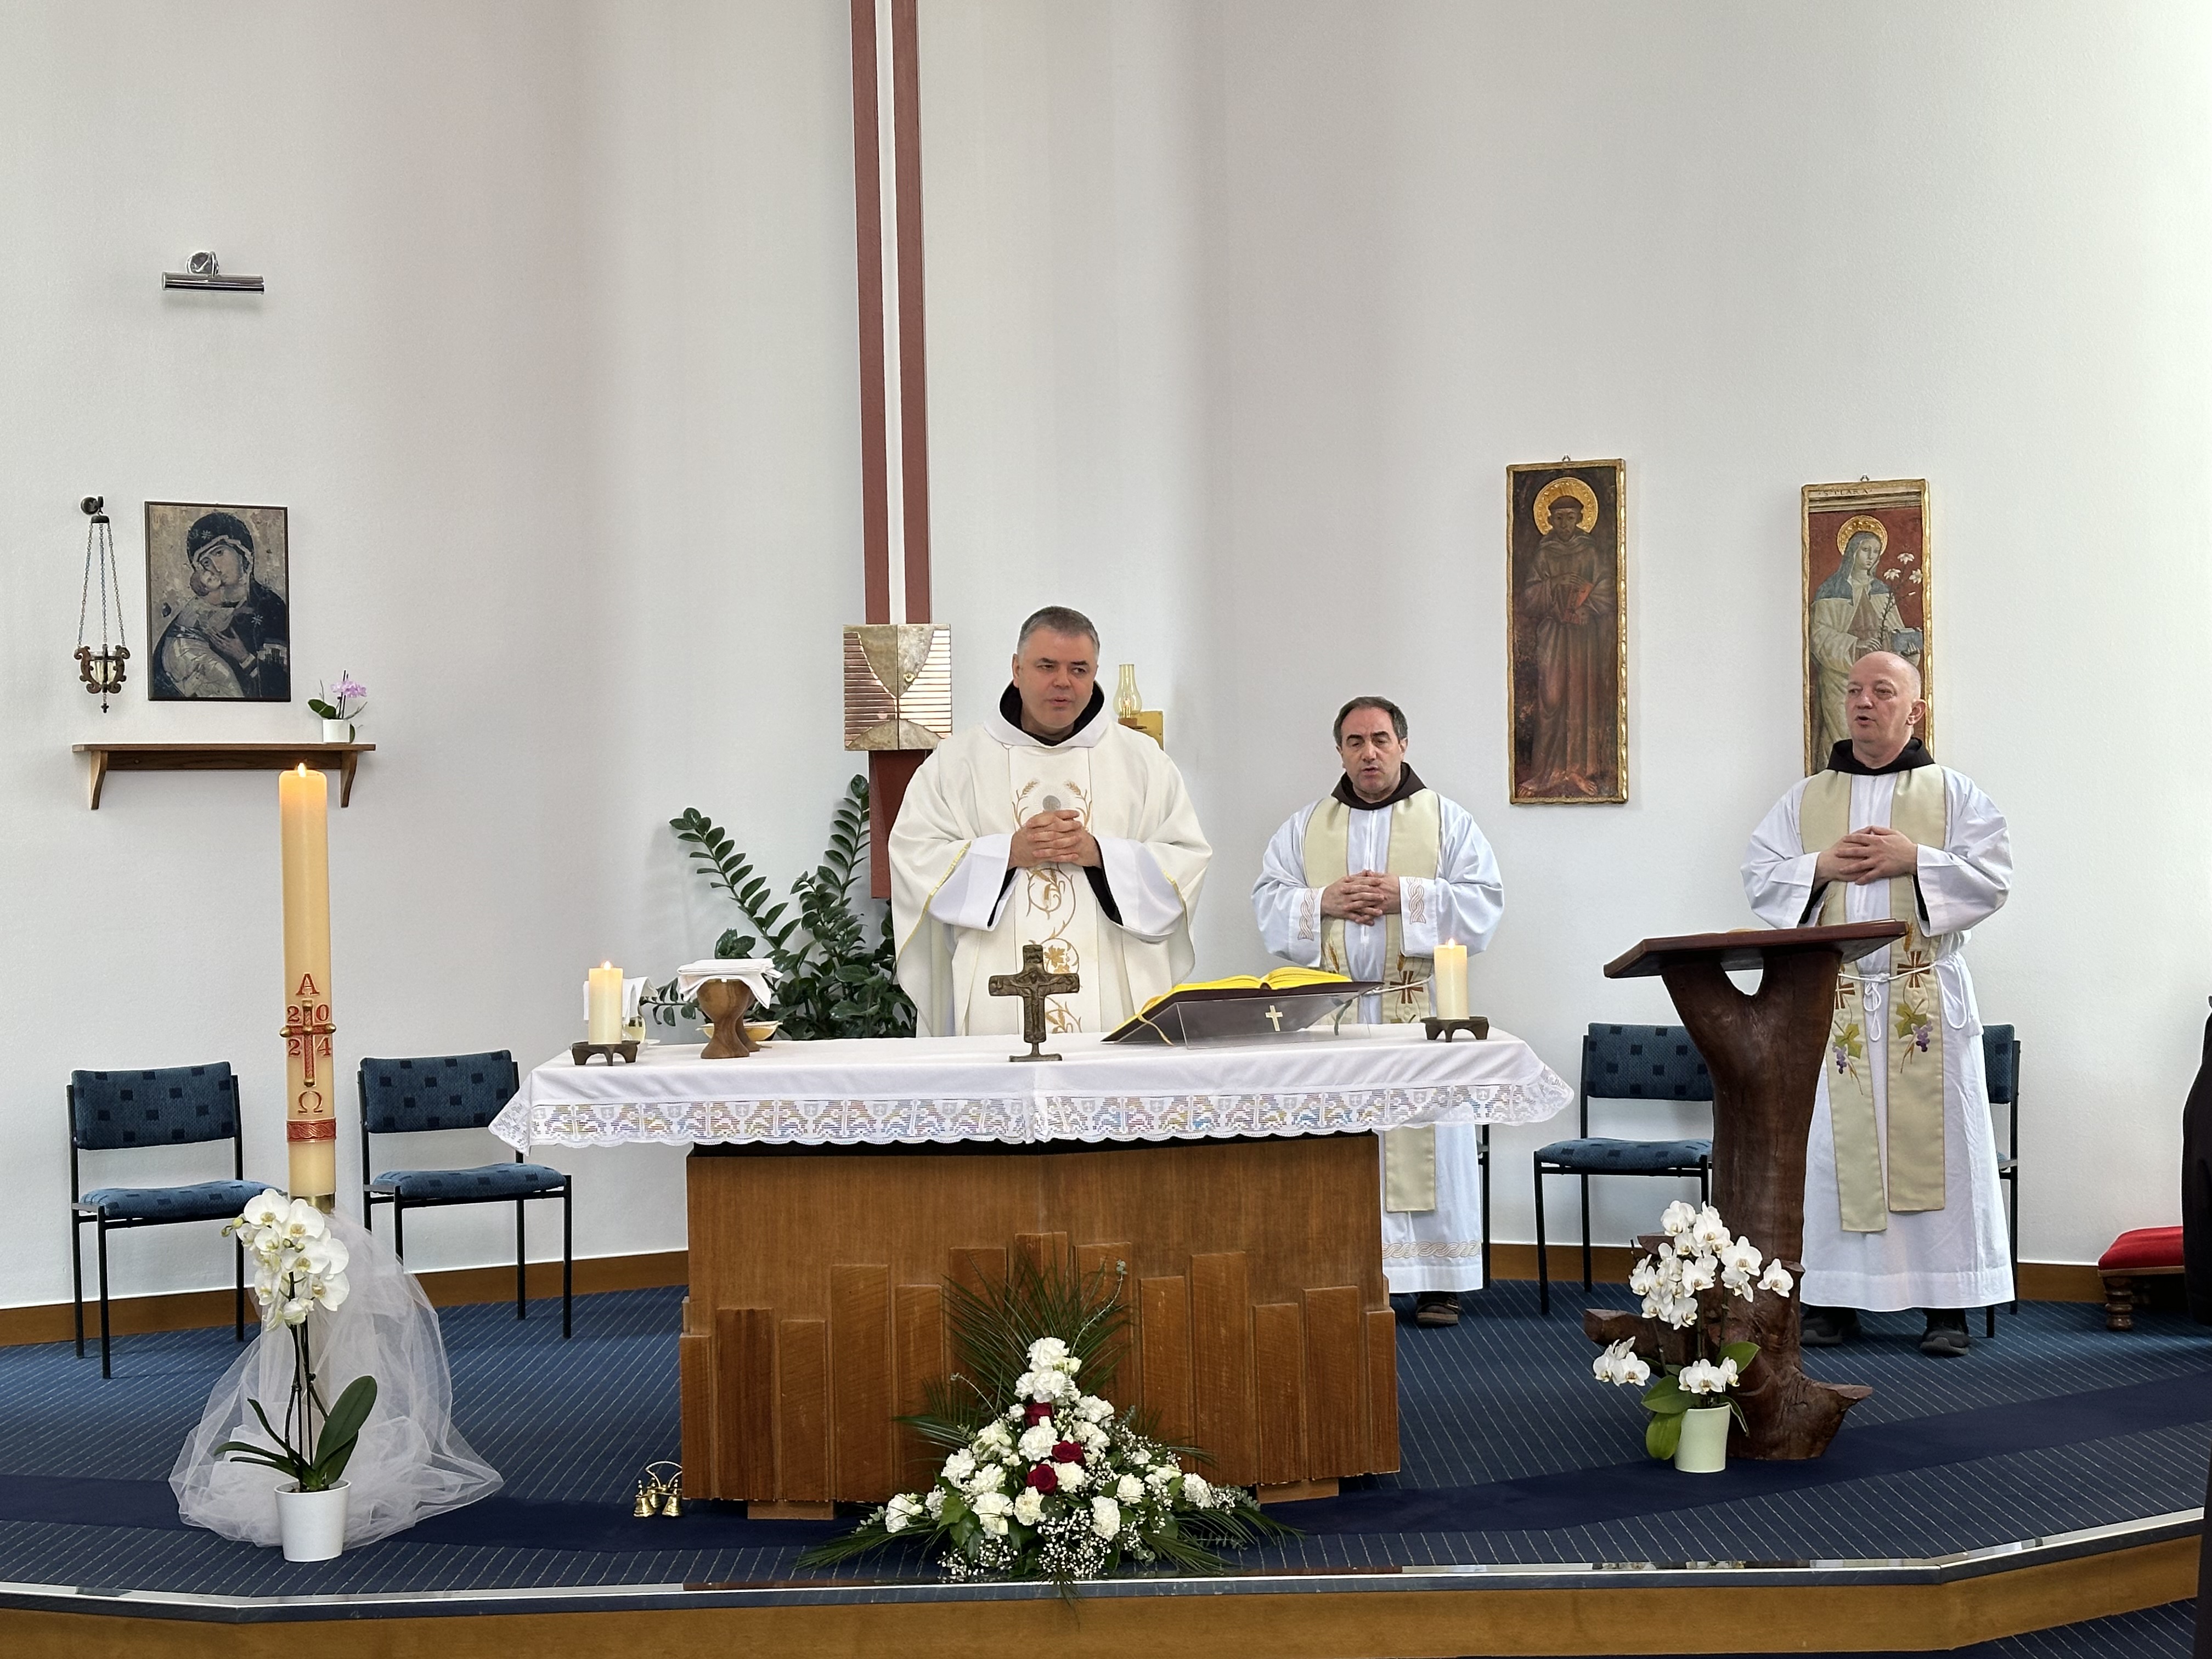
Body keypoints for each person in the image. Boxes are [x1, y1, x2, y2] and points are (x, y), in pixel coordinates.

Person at [1741, 651, 2012, 1357]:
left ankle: (1947, 1304)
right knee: (1833, 1156)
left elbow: (1992, 879)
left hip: (1922, 995)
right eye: (1855, 690)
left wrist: (1915, 860)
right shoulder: (1806, 799)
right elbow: (1760, 877)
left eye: (1883, 691)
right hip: (1836, 1005)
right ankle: (1833, 1298)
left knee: (1942, 1150)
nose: (1864, 701)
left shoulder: (1953, 794)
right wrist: (1819, 867)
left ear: (1914, 710)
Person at [1252, 697, 1504, 1325]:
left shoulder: (1448, 822)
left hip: (1414, 1014)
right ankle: (1345, 1271)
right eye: (1356, 742)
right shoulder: (1305, 827)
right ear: (1340, 751)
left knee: (1428, 1141)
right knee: (1341, 1147)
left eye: (1381, 739)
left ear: (1403, 745)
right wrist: (1324, 901)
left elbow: (1484, 905)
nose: (1369, 753)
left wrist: (1406, 896)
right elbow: (1267, 904)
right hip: (1333, 1018)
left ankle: (1437, 1281)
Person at [889, 607, 1211, 1037]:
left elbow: (1186, 861)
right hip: (996, 999)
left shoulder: (1143, 762)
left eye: (1079, 669)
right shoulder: (957, 763)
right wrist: (1007, 854)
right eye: (1047, 666)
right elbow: (914, 857)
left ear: (1095, 674)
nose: (1063, 682)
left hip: (1113, 999)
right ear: (1017, 670)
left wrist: (1101, 855)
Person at [1516, 482, 1618, 799]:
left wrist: (1588, 605)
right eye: (1558, 518)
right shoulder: (1544, 554)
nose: (1564, 524)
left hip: (1584, 638)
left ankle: (1577, 770)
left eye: (1570, 517)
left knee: (1582, 698)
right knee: (1552, 696)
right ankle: (1548, 772)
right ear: (1549, 520)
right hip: (1554, 636)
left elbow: (1608, 589)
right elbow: (1529, 598)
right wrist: (1556, 583)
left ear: (1580, 518)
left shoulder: (1590, 552)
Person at [1808, 520, 1921, 759]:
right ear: (1852, 551)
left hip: (1880, 683)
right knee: (1843, 740)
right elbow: (1819, 636)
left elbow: (1894, 634)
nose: (1871, 557)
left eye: (1876, 552)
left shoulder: (1882, 590)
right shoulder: (1832, 590)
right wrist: (1855, 646)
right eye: (1866, 550)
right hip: (1840, 679)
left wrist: (1907, 654)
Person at [152, 511, 290, 700]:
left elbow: (281, 688)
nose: (216, 567)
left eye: (219, 553)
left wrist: (244, 657)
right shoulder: (196, 614)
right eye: (206, 562)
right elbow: (161, 686)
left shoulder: (270, 607)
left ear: (242, 552)